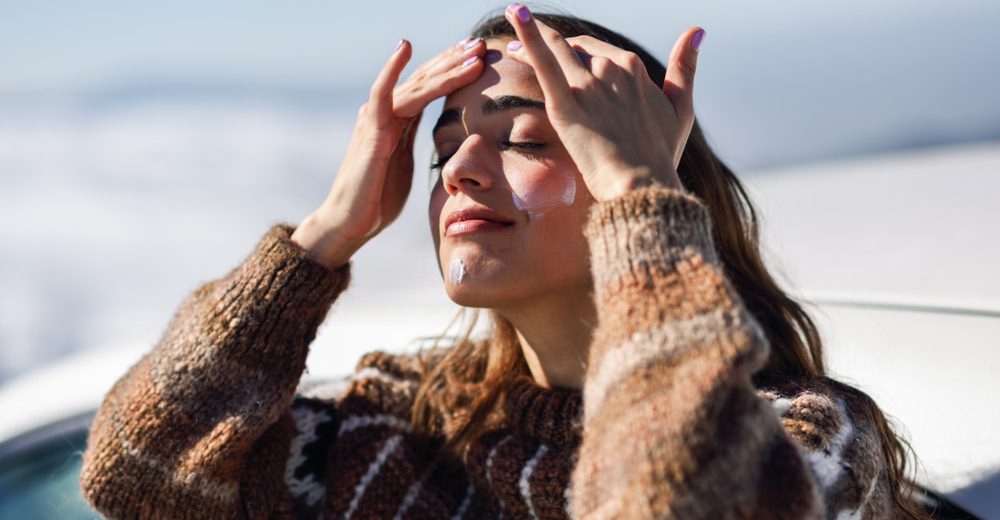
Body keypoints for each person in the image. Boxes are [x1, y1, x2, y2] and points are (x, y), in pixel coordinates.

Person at [80, 4, 927, 519]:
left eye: (522, 138)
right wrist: (324, 235)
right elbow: (134, 475)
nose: (464, 173)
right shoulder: (395, 429)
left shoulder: (807, 443)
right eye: (446, 152)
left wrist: (641, 195)